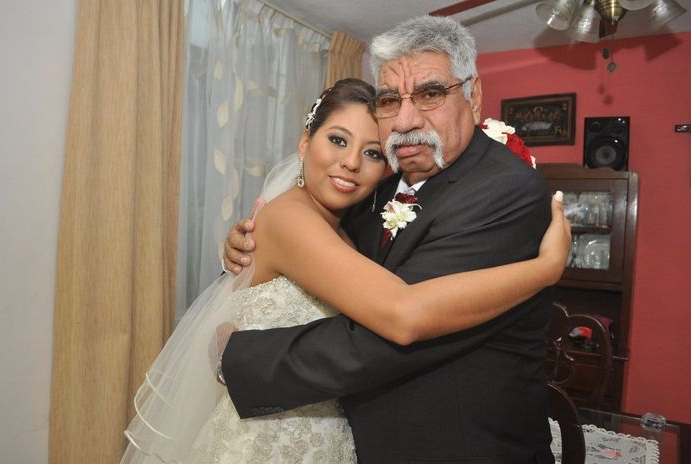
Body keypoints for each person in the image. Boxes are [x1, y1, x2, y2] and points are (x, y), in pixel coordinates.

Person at [121, 77, 569, 463]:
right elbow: (401, 309)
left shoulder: (353, 224)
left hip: (333, 435)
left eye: (372, 152)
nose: (352, 162)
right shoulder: (290, 219)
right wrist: (545, 269)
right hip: (271, 439)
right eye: (337, 140)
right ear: (305, 142)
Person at [221, 16, 563, 463]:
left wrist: (237, 358)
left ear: (473, 95)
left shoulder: (503, 190)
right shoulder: (373, 190)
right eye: (388, 100)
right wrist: (249, 253)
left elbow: (391, 332)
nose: (405, 120)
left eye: (430, 94)